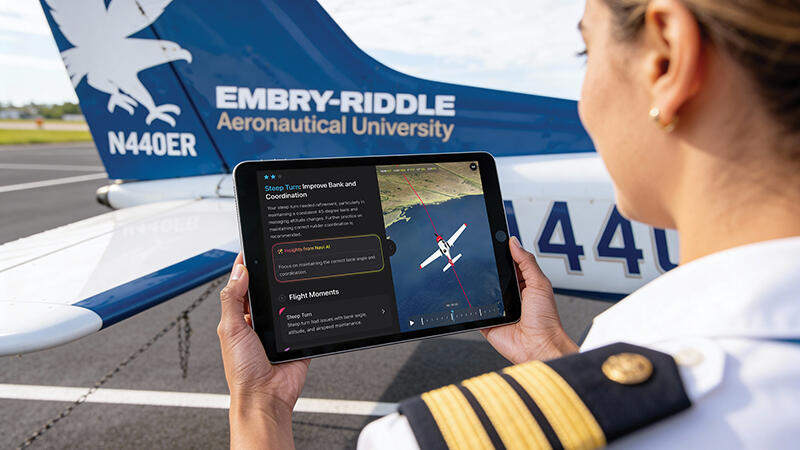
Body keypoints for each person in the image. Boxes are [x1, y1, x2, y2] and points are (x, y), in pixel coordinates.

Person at [217, 0, 800, 447]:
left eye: (585, 51)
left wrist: (258, 405)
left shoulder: (440, 438)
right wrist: (554, 356)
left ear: (666, 59)